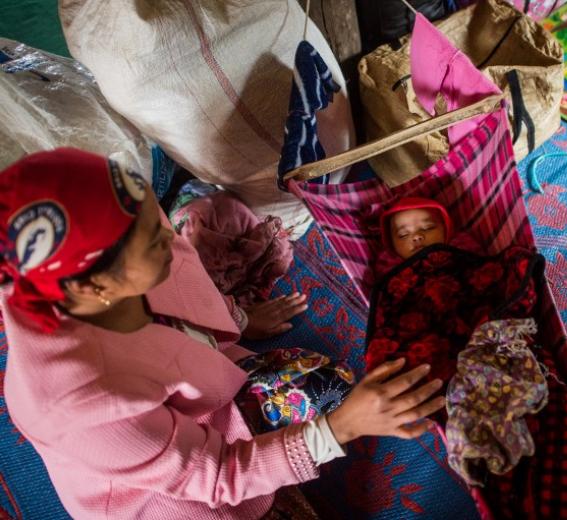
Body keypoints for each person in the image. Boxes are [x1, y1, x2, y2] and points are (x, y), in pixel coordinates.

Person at [0, 149, 445, 519]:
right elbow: (215, 475)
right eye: (153, 240)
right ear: (98, 287)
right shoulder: (87, 406)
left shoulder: (90, 259)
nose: (171, 238)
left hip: (203, 388)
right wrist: (340, 429)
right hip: (179, 497)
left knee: (327, 386)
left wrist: (241, 320)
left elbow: (183, 292)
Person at [375, 196, 483, 275]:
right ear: (392, 246)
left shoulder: (464, 252)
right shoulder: (391, 275)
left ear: (446, 231)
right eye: (403, 235)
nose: (416, 236)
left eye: (428, 228)